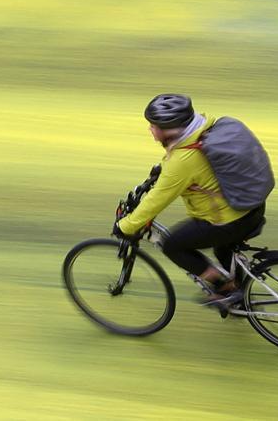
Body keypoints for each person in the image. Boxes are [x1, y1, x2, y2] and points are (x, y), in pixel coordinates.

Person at [112, 93, 267, 309]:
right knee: (223, 250)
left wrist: (126, 226)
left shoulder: (183, 160)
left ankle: (226, 289)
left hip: (228, 220)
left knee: (173, 245)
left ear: (169, 129)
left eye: (154, 126)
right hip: (251, 207)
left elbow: (157, 200)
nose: (150, 130)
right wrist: (161, 171)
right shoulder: (206, 128)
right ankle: (240, 292)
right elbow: (184, 167)